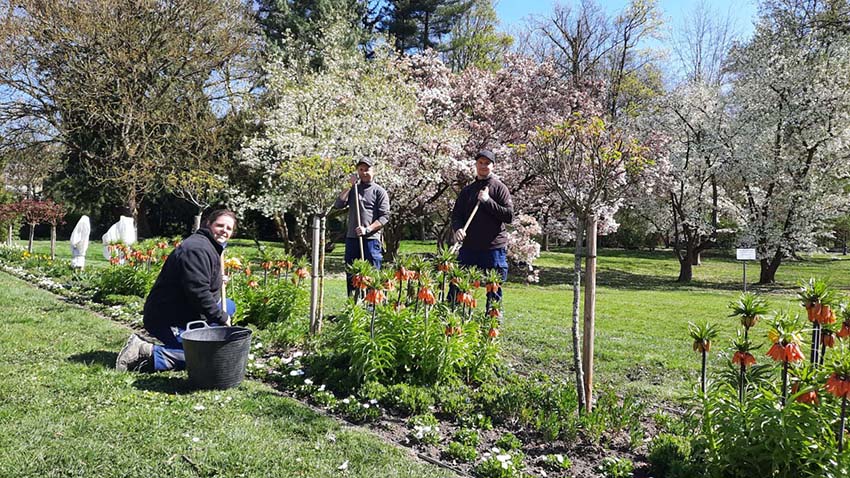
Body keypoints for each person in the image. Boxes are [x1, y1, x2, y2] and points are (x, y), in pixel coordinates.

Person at [115, 209, 237, 372]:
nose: (224, 230)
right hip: (166, 318)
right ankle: (147, 352)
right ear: (208, 224)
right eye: (220, 225)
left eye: (229, 228)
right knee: (207, 355)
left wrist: (217, 279)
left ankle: (195, 339)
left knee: (229, 306)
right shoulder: (196, 250)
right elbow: (198, 292)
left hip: (185, 310)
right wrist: (222, 318)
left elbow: (199, 279)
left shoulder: (210, 246)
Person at [450, 149, 513, 300]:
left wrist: (487, 201)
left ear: (493, 166)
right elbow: (457, 215)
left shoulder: (499, 188)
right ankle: (453, 317)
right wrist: (458, 229)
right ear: (476, 164)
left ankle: (493, 320)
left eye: (487, 163)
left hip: (493, 248)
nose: (483, 166)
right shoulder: (467, 191)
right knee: (458, 284)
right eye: (480, 163)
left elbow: (509, 216)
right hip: (470, 248)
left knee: (494, 288)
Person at [333, 157, 391, 296]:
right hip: (352, 238)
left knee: (371, 274)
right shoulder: (353, 190)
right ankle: (353, 305)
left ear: (373, 171)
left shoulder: (379, 192)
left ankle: (371, 306)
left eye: (367, 169)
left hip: (371, 240)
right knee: (352, 273)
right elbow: (338, 204)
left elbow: (384, 217)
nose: (364, 172)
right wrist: (349, 186)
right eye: (361, 169)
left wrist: (368, 229)